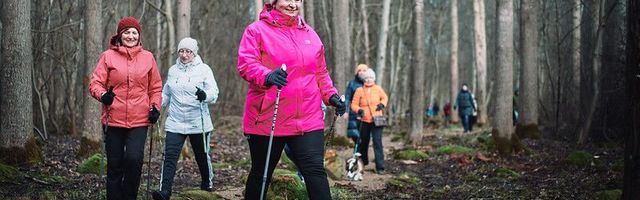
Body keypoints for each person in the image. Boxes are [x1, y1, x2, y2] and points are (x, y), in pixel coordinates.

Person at [236, 0, 346, 199]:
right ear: (274, 2)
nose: (294, 4)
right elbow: (246, 64)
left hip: (307, 118)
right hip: (269, 116)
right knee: (261, 173)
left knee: (315, 171)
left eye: (298, 0)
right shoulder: (256, 31)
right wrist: (267, 75)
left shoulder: (310, 35)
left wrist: (331, 96)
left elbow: (320, 73)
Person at [89, 16, 162, 200]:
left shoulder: (148, 58)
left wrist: (155, 107)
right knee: (114, 164)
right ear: (120, 35)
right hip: (113, 118)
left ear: (139, 36)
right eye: (127, 32)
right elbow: (95, 83)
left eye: (134, 33)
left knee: (134, 159)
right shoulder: (108, 56)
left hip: (139, 119)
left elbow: (155, 87)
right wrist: (103, 95)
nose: (130, 36)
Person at [152, 37, 219, 200]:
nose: (184, 54)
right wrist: (156, 107)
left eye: (188, 51)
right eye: (181, 51)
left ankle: (207, 185)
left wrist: (205, 95)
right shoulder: (173, 70)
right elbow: (166, 94)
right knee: (169, 157)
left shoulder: (204, 69)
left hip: (198, 122)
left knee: (202, 155)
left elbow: (214, 92)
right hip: (175, 121)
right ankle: (165, 191)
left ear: (194, 53)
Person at [351, 68, 388, 175]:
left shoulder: (378, 88)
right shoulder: (359, 90)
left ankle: (380, 167)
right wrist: (359, 110)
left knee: (377, 142)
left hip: (377, 120)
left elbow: (385, 97)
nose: (369, 80)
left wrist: (382, 104)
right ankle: (363, 162)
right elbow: (353, 104)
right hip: (364, 120)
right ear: (363, 79)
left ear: (374, 78)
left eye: (371, 77)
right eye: (366, 78)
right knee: (364, 142)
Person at [345, 64, 369, 143]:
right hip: (354, 113)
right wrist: (346, 111)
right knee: (354, 134)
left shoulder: (369, 83)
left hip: (366, 114)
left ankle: (362, 154)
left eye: (364, 70)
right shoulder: (352, 84)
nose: (361, 72)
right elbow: (347, 98)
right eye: (359, 70)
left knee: (364, 135)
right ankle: (356, 153)